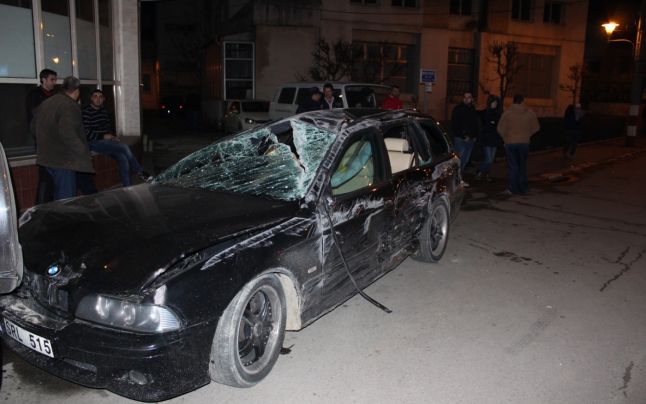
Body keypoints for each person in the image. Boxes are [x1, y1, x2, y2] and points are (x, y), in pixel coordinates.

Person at [34, 76, 94, 200]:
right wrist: (84, 152)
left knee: (54, 198)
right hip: (63, 160)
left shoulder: (47, 102)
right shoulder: (69, 105)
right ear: (76, 91)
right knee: (66, 199)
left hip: (46, 158)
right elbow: (69, 134)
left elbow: (33, 127)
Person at [82, 89, 149, 187]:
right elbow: (86, 133)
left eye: (100, 97)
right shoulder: (86, 112)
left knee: (123, 158)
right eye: (95, 96)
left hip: (105, 142)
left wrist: (112, 137)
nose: (98, 99)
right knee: (124, 147)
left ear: (103, 99)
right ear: (91, 98)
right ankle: (140, 172)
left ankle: (127, 187)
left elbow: (107, 129)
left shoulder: (103, 111)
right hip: (93, 142)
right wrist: (103, 136)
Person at [497, 94, 540, 196]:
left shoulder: (507, 113)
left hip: (510, 143)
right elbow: (536, 127)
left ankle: (513, 188)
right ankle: (522, 188)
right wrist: (527, 135)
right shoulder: (530, 113)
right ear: (522, 101)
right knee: (522, 166)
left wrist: (505, 138)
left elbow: (500, 129)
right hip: (524, 143)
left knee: (513, 166)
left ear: (513, 101)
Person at [26, 68, 58, 204]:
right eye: (52, 79)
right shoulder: (35, 95)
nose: (54, 82)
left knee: (51, 175)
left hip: (53, 139)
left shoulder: (53, 95)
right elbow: (37, 117)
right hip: (43, 140)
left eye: (55, 80)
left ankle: (48, 203)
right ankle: (40, 206)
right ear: (43, 80)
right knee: (45, 174)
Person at [451, 92, 480, 178]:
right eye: (465, 97)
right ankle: (456, 178)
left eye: (469, 97)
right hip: (461, 139)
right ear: (463, 98)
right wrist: (463, 136)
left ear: (472, 99)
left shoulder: (473, 109)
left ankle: (459, 177)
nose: (467, 99)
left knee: (465, 160)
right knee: (459, 160)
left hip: (470, 139)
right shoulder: (458, 109)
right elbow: (455, 124)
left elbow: (475, 124)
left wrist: (475, 136)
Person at [475, 95, 502, 182]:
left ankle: (486, 173)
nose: (495, 104)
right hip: (486, 139)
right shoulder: (484, 113)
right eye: (493, 102)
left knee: (491, 159)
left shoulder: (498, 114)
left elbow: (499, 127)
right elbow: (483, 126)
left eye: (496, 103)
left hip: (494, 139)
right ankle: (480, 171)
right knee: (488, 159)